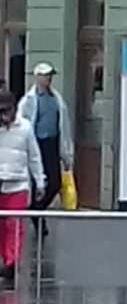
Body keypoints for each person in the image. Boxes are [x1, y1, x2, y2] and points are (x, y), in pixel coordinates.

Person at [18, 62, 73, 225]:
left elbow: (64, 126)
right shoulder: (28, 100)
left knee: (55, 183)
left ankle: (36, 209)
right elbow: (22, 123)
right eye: (45, 75)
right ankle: (38, 220)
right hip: (37, 144)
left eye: (50, 75)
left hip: (52, 144)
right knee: (38, 182)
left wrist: (66, 154)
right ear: (38, 77)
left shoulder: (56, 99)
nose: (49, 78)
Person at [0, 91, 45, 284]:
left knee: (15, 225)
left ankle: (11, 262)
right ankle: (5, 258)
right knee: (2, 226)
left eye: (6, 111)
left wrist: (40, 181)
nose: (3, 116)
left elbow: (34, 156)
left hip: (18, 183)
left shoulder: (25, 128)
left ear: (14, 109)